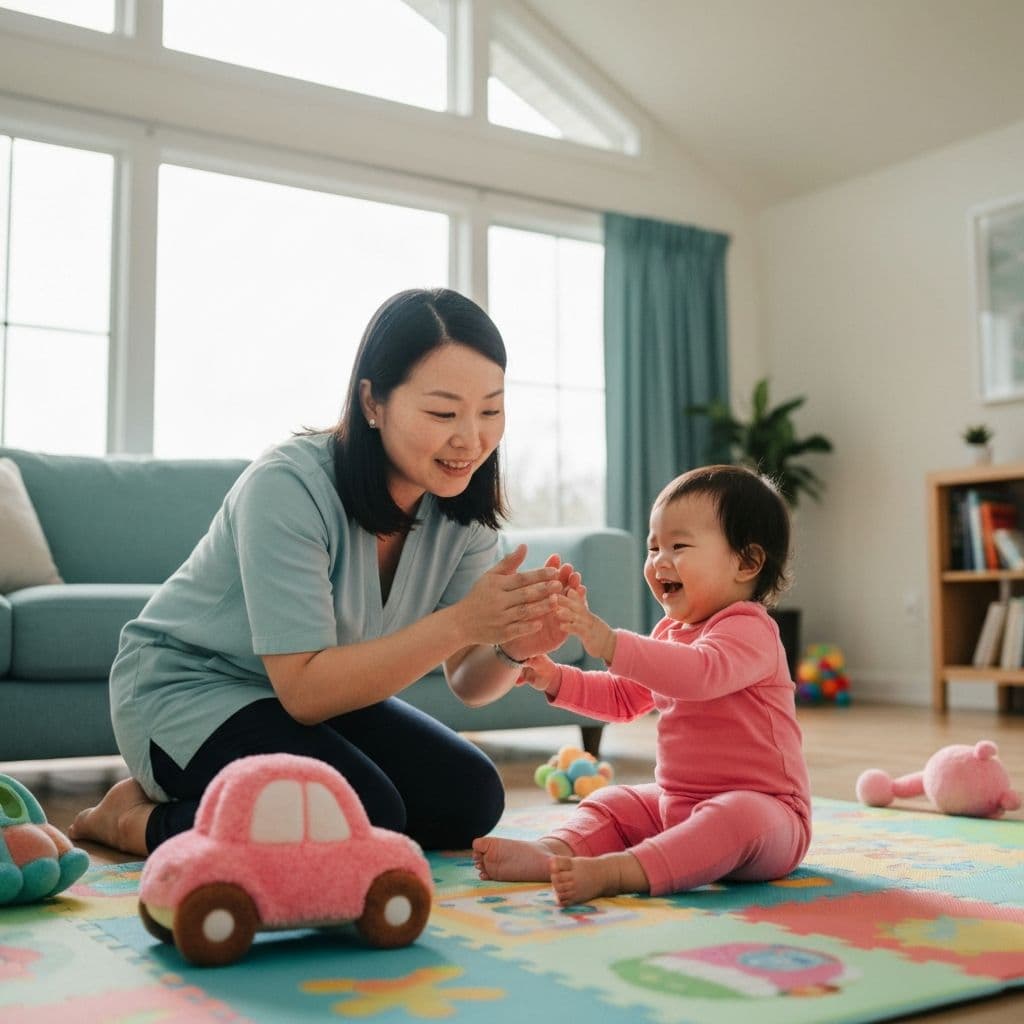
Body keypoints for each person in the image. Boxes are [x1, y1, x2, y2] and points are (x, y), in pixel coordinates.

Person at [70, 287, 578, 857]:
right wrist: (463, 622)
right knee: (362, 813)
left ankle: (217, 809)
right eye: (442, 412)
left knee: (471, 799)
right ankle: (130, 821)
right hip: (192, 692)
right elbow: (305, 694)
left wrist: (512, 646)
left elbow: (468, 681)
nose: (471, 438)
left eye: (490, 410)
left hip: (319, 700)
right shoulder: (288, 486)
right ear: (372, 403)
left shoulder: (458, 505)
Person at [472, 464, 812, 905]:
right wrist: (555, 677)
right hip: (678, 803)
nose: (658, 562)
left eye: (678, 546)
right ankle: (553, 853)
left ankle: (621, 871)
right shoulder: (670, 633)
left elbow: (700, 674)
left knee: (733, 816)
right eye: (653, 548)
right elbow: (622, 698)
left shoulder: (751, 630)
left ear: (746, 562)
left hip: (770, 817)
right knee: (615, 801)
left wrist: (609, 642)